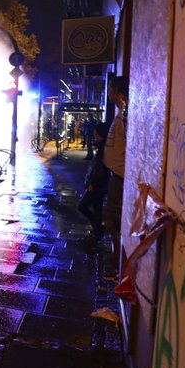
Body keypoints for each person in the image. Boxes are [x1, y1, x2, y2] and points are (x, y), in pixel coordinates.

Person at [103, 76, 128, 257]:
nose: (108, 93)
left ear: (118, 91)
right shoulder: (121, 113)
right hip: (116, 176)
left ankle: (117, 266)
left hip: (121, 178)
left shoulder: (126, 114)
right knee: (112, 220)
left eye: (110, 89)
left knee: (116, 221)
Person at [78, 121, 110, 239]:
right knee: (97, 209)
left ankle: (97, 229)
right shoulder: (102, 147)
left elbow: (99, 169)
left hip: (96, 185)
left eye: (96, 132)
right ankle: (97, 232)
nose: (94, 134)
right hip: (100, 185)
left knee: (82, 206)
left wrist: (92, 183)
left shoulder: (102, 149)